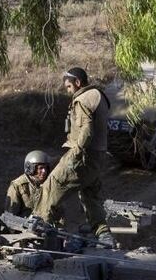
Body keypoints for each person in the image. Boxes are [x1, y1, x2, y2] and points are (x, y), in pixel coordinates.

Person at [33, 67, 115, 247]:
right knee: (90, 195)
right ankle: (103, 235)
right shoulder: (98, 96)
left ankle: (38, 230)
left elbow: (86, 129)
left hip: (82, 155)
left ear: (78, 83)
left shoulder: (82, 99)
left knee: (51, 185)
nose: (68, 91)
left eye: (69, 86)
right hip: (97, 157)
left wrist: (75, 154)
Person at [5, 150, 55, 218]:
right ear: (30, 168)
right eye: (41, 168)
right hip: (24, 226)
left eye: (46, 168)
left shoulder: (50, 184)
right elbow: (10, 216)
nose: (44, 171)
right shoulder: (18, 186)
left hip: (46, 226)